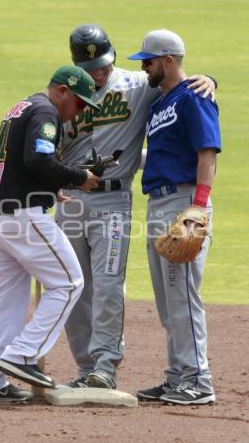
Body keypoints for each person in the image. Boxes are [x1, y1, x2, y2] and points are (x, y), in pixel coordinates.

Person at [55, 24, 217, 390]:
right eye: (90, 67)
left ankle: (105, 366)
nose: (98, 73)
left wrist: (209, 80)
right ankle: (85, 367)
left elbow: (180, 84)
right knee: (72, 285)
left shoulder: (138, 85)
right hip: (70, 199)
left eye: (104, 64)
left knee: (109, 284)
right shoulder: (65, 94)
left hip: (114, 201)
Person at [0, 65, 101, 403]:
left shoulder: (23, 106)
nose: (80, 112)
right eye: (80, 103)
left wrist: (49, 188)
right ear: (61, 91)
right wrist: (77, 178)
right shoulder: (46, 111)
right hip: (19, 216)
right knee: (70, 282)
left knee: (8, 298)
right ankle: (22, 355)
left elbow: (19, 162)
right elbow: (39, 161)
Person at [128, 29, 221, 405]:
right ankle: (177, 376)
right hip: (158, 202)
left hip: (183, 203)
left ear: (168, 61)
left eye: (148, 61)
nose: (144, 67)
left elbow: (207, 153)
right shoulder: (158, 104)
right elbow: (164, 154)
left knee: (183, 296)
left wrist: (198, 207)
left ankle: (199, 380)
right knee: (169, 301)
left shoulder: (194, 97)